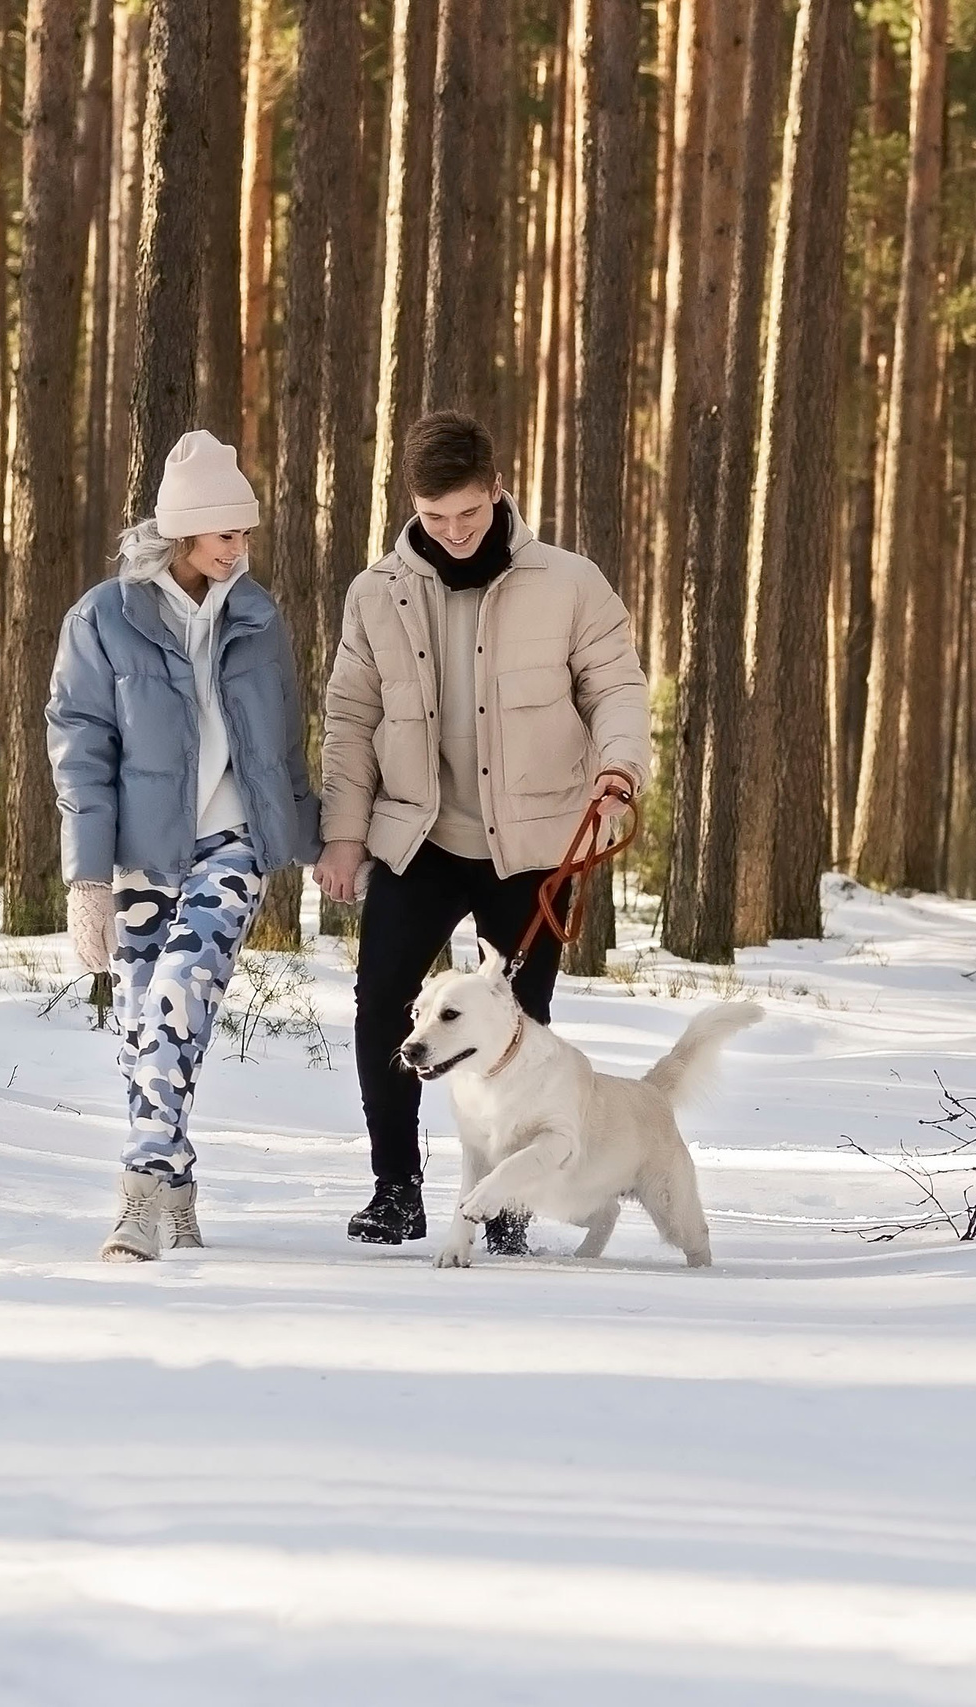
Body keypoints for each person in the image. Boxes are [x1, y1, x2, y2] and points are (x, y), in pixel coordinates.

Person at [316, 410, 652, 1247]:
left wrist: (618, 768)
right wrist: (345, 834)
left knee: (519, 1023)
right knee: (383, 1012)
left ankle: (507, 1202)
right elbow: (350, 719)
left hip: (532, 846)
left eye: (469, 512)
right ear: (412, 506)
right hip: (418, 838)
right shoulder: (376, 593)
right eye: (436, 518)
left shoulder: (570, 583)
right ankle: (396, 1186)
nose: (455, 532)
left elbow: (616, 685)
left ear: (497, 491)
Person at [48, 429, 322, 1262]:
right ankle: (179, 1181)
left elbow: (282, 742)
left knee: (175, 997)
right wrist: (87, 877)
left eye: (245, 532)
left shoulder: (258, 614)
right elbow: (80, 744)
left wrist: (318, 840)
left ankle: (137, 1195)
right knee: (145, 1026)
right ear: (182, 532)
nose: (242, 547)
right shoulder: (104, 617)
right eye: (226, 533)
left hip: (231, 847)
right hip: (141, 850)